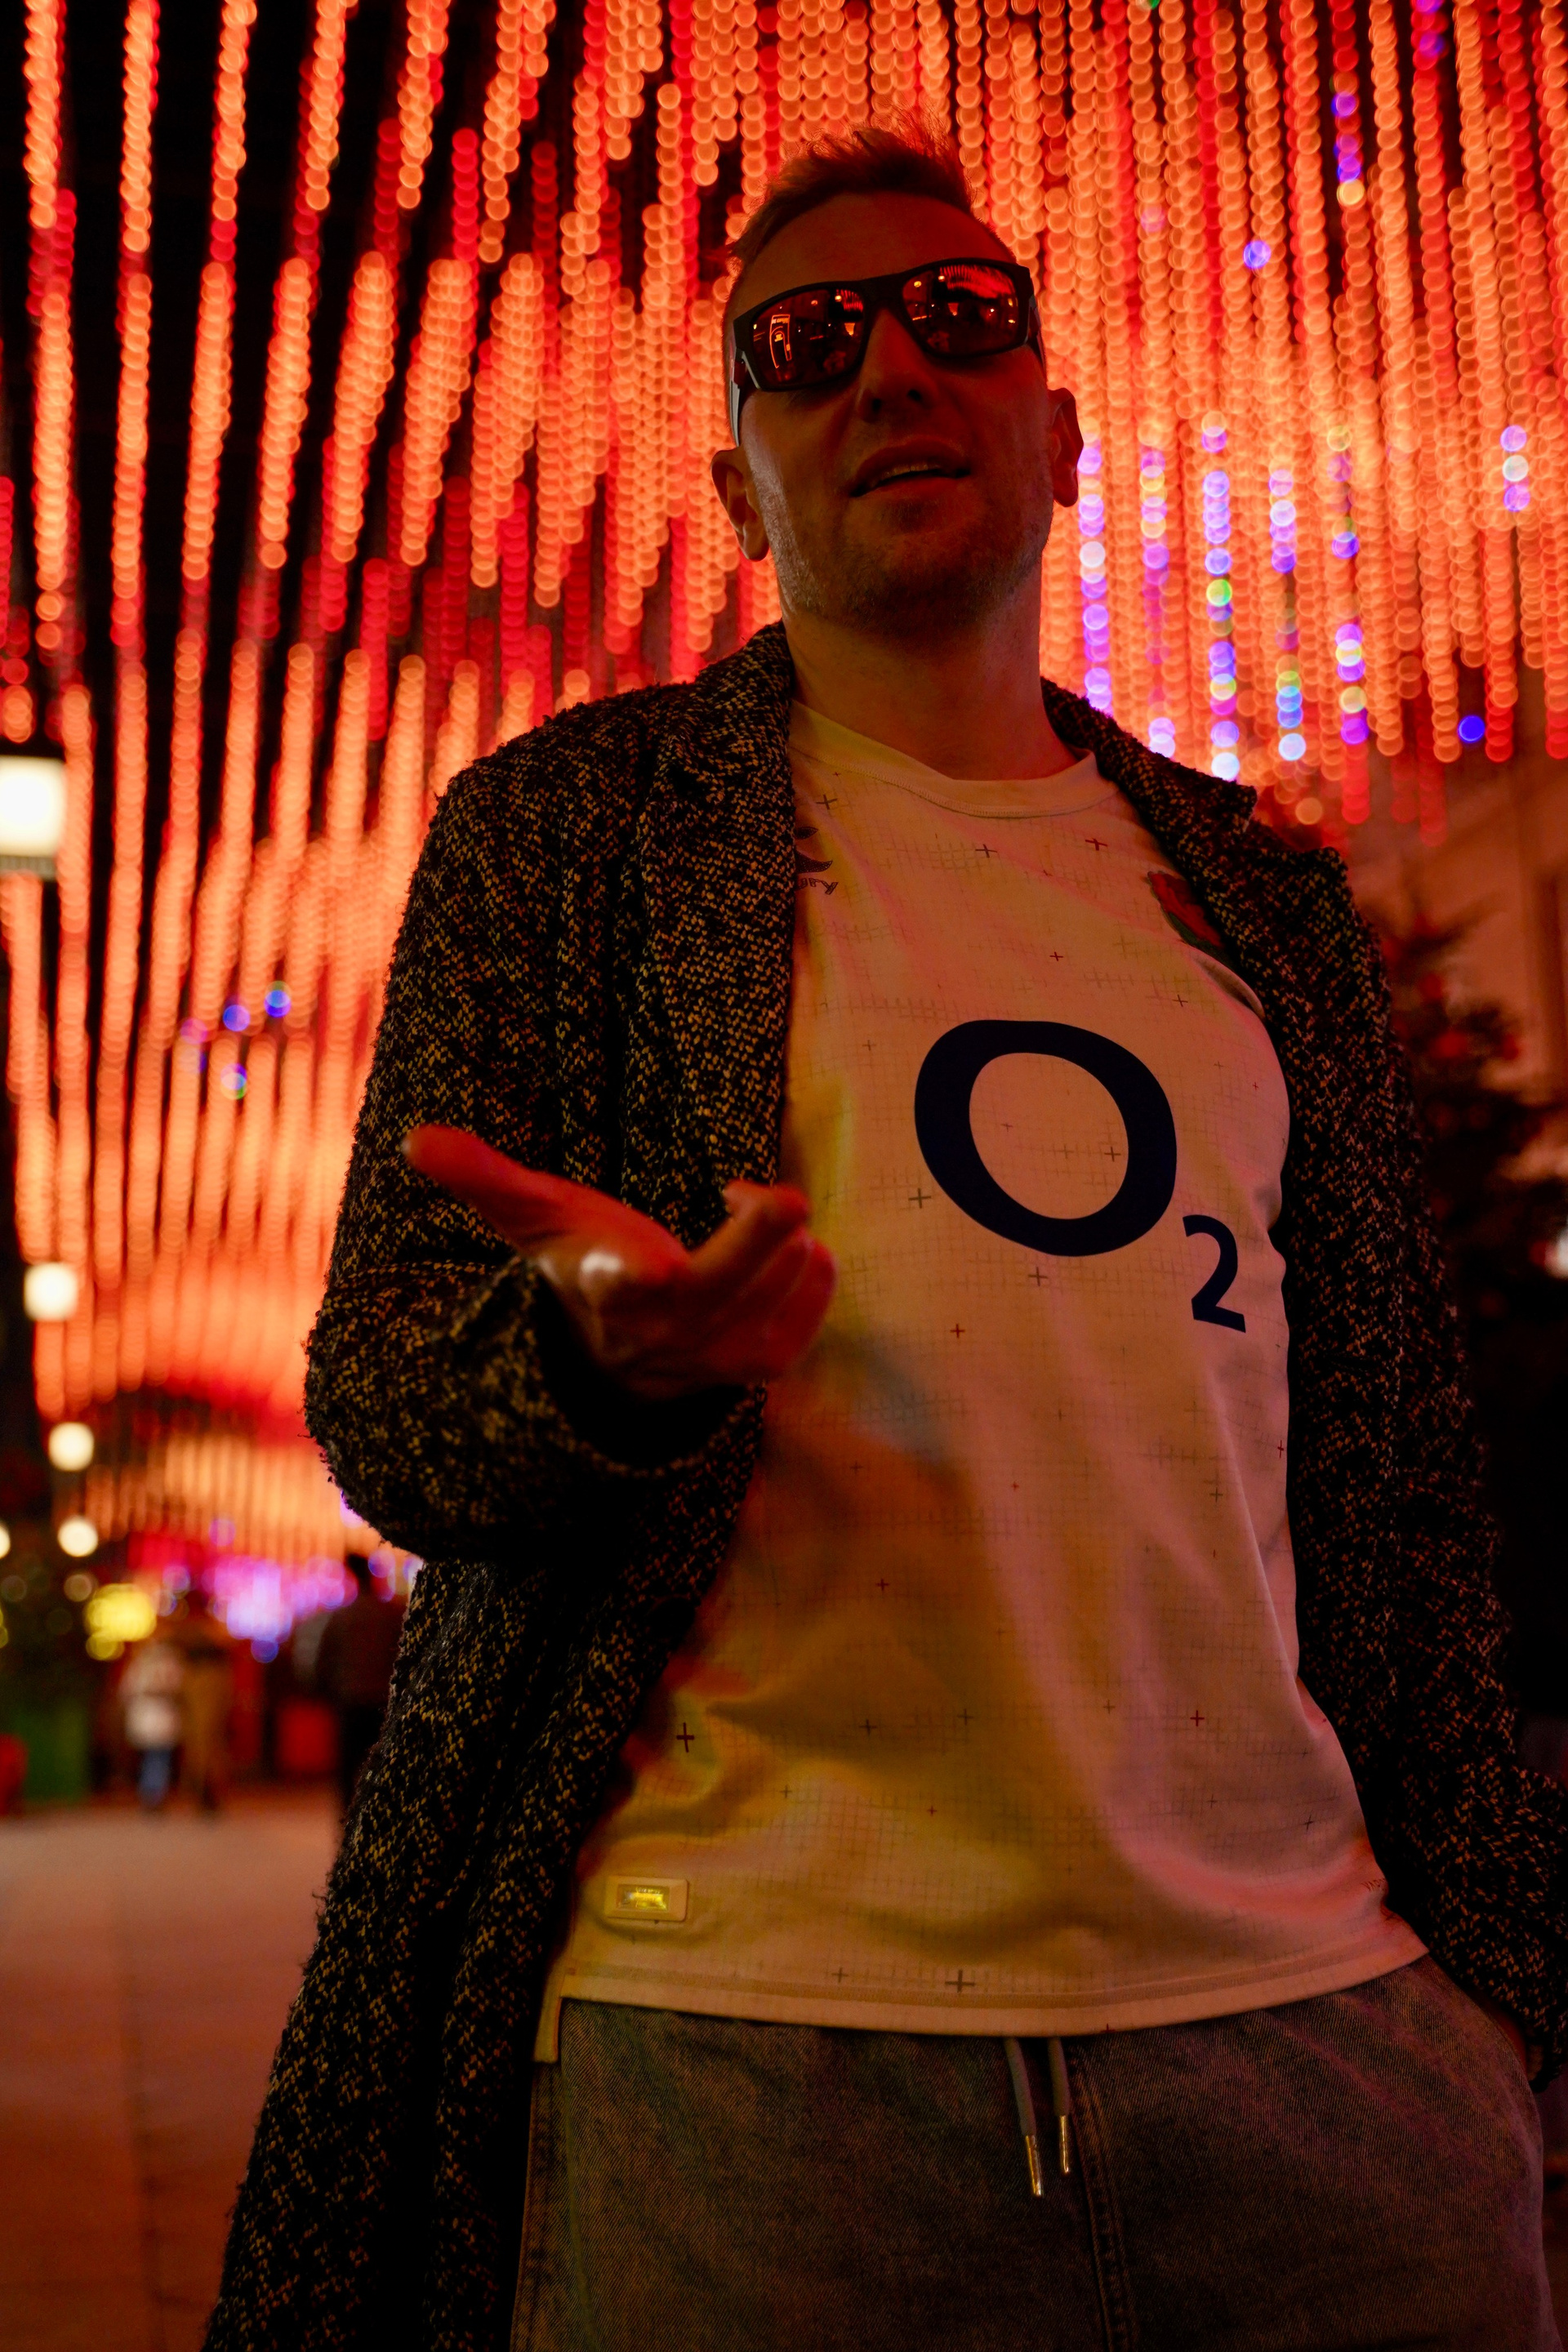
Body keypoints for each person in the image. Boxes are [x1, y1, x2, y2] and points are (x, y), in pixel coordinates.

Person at [208, 125, 1568, 2350]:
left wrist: (1494, 1997)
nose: (890, 374)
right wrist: (602, 1365)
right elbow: (386, 1403)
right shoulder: (573, 839)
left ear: (1063, 437)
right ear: (739, 493)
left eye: (958, 320)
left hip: (1326, 2049)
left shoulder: (1261, 894)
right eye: (807, 346)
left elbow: (1402, 1483)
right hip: (750, 2062)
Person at [315, 1555, 404, 1812]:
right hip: (384, 1702)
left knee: (348, 1769)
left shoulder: (343, 1616)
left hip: (351, 1701)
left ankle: (349, 1819)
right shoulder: (393, 1613)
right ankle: (380, 1816)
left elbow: (323, 1659)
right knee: (383, 1766)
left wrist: (328, 1690)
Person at [172, 1586, 236, 1811]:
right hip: (197, 1691)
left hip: (204, 1691)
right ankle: (202, 1788)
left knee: (207, 1742)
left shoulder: (207, 1632)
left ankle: (206, 1788)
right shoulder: (197, 1632)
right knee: (200, 1743)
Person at [121, 1631, 184, 1811]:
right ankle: (153, 1793)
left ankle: (152, 1792)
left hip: (155, 1718)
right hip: (154, 1718)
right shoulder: (164, 1664)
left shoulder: (141, 1665)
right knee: (157, 1757)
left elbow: (126, 1692)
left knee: (155, 1757)